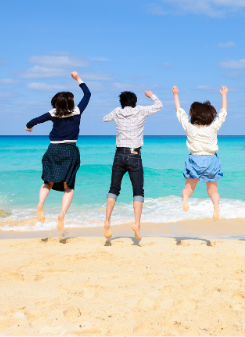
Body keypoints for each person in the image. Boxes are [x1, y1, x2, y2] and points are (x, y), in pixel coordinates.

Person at [25, 71, 91, 232]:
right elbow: (88, 94)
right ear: (70, 103)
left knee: (48, 182)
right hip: (70, 150)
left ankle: (40, 204)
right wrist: (78, 79)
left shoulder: (52, 113)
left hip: (53, 149)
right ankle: (62, 214)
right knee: (69, 187)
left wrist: (29, 127)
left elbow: (33, 121)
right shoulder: (77, 111)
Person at [103, 90, 163, 240]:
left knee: (114, 189)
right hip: (134, 155)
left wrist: (117, 115)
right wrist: (151, 96)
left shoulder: (117, 112)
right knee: (138, 190)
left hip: (119, 154)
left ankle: (107, 220)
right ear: (135, 102)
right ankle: (136, 224)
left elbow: (105, 119)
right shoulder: (141, 110)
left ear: (121, 103)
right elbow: (159, 105)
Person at [172, 85, 228, 221]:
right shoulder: (213, 127)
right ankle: (216, 207)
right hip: (211, 160)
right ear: (210, 115)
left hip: (194, 159)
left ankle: (185, 199)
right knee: (213, 191)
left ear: (193, 114)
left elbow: (179, 111)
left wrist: (175, 94)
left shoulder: (189, 127)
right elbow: (223, 113)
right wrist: (224, 95)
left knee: (189, 188)